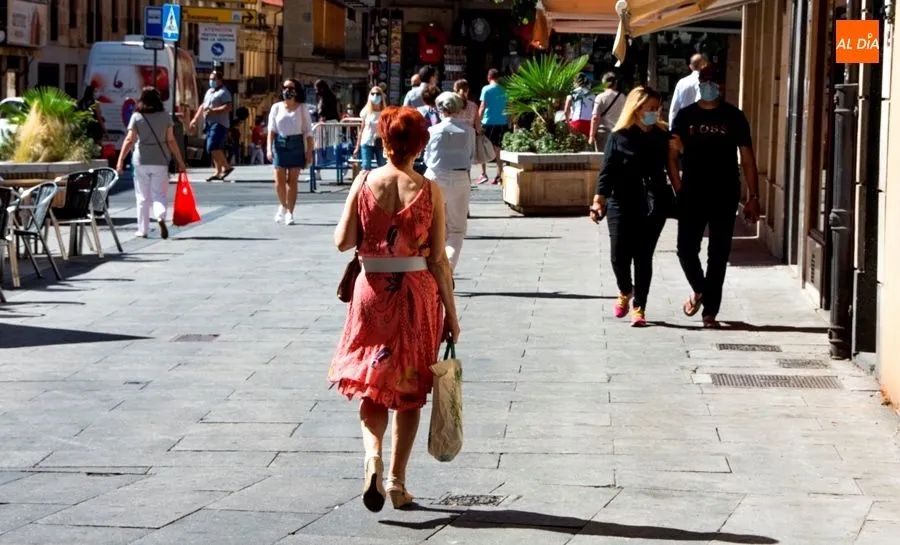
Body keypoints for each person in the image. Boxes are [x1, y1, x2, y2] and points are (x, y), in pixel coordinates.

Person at [329, 106, 460, 513]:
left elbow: (342, 241)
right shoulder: (430, 189)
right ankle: (397, 483)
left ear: (384, 142)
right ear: (420, 145)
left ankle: (373, 457)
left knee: (373, 377)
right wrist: (452, 315)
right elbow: (438, 256)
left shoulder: (365, 181)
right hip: (416, 293)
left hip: (372, 290)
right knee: (408, 386)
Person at [668, 63, 760, 329]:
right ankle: (700, 289)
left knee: (718, 254)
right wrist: (678, 188)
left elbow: (748, 159)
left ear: (720, 85)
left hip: (725, 192)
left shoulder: (734, 116)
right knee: (686, 249)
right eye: (704, 80)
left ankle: (710, 313)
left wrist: (753, 196)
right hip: (692, 192)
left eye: (712, 80)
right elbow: (672, 156)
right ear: (698, 84)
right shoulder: (685, 116)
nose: (708, 85)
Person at [590, 87, 671, 327]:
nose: (654, 113)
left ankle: (639, 308)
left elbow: (675, 164)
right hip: (621, 201)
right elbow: (606, 172)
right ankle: (625, 289)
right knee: (618, 256)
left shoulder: (662, 136)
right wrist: (598, 202)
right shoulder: (619, 136)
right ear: (636, 109)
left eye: (657, 109)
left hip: (652, 203)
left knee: (643, 257)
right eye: (649, 109)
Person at [115, 86, 187, 240]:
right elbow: (171, 140)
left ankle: (143, 230)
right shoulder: (165, 116)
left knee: (142, 197)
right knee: (159, 195)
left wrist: (120, 160)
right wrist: (180, 161)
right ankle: (160, 216)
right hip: (160, 161)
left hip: (141, 161)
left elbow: (129, 140)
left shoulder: (137, 116)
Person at [424, 92, 475, 271]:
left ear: (440, 109)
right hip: (461, 178)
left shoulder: (433, 131)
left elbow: (427, 157)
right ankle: (447, 269)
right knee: (457, 229)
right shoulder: (469, 131)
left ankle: (433, 265)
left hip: (435, 177)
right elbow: (471, 156)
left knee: (434, 225)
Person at [268, 79, 314, 226]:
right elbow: (271, 130)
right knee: (279, 181)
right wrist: (269, 148)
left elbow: (308, 131)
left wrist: (309, 151)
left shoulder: (302, 108)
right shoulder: (276, 107)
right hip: (280, 143)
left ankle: (290, 213)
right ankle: (283, 204)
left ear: (296, 90)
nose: (287, 90)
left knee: (292, 181)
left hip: (296, 143)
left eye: (291, 87)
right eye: (285, 87)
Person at [190, 71, 233, 181]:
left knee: (212, 146)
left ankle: (226, 167)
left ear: (219, 80)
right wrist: (195, 119)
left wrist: (214, 111)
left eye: (213, 79)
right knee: (214, 148)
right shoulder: (209, 91)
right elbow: (203, 106)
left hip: (219, 124)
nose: (211, 81)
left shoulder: (224, 92)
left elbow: (228, 107)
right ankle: (218, 172)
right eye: (210, 79)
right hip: (209, 124)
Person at [477, 69, 508, 185]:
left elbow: (482, 106)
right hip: (502, 122)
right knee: (498, 150)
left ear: (489, 78)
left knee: (482, 147)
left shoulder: (486, 89)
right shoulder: (505, 90)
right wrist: (511, 121)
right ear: (498, 78)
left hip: (488, 121)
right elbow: (509, 106)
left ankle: (483, 174)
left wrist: (477, 122)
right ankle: (499, 175)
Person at [589, 72, 625, 153]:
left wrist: (591, 135)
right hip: (619, 132)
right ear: (615, 83)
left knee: (601, 159)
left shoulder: (600, 97)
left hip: (603, 133)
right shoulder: (622, 96)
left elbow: (595, 118)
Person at [354, 86, 387, 170]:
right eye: (373, 93)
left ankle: (381, 183)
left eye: (378, 94)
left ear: (382, 96)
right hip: (366, 141)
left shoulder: (385, 112)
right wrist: (357, 147)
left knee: (382, 166)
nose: (375, 96)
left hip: (380, 142)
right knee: (366, 166)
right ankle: (365, 183)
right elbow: (361, 130)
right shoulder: (366, 111)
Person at [669, 53, 707, 124]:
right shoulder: (706, 83)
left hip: (683, 123)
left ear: (691, 67)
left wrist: (671, 127)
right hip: (699, 124)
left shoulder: (681, 82)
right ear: (704, 65)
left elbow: (674, 107)